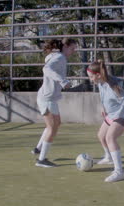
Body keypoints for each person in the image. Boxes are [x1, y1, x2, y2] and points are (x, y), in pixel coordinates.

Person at [86, 60, 124, 182]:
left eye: (91, 77)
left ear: (98, 75)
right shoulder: (100, 82)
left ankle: (119, 171)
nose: (90, 79)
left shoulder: (114, 86)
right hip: (112, 114)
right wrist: (103, 107)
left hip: (122, 114)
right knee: (101, 136)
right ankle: (108, 157)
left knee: (110, 138)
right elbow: (102, 95)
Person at [32, 38, 77, 168]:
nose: (73, 51)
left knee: (54, 125)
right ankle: (41, 160)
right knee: (53, 127)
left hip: (49, 98)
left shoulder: (58, 57)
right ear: (66, 46)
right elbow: (46, 69)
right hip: (47, 98)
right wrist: (62, 81)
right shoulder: (59, 57)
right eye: (72, 48)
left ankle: (38, 149)